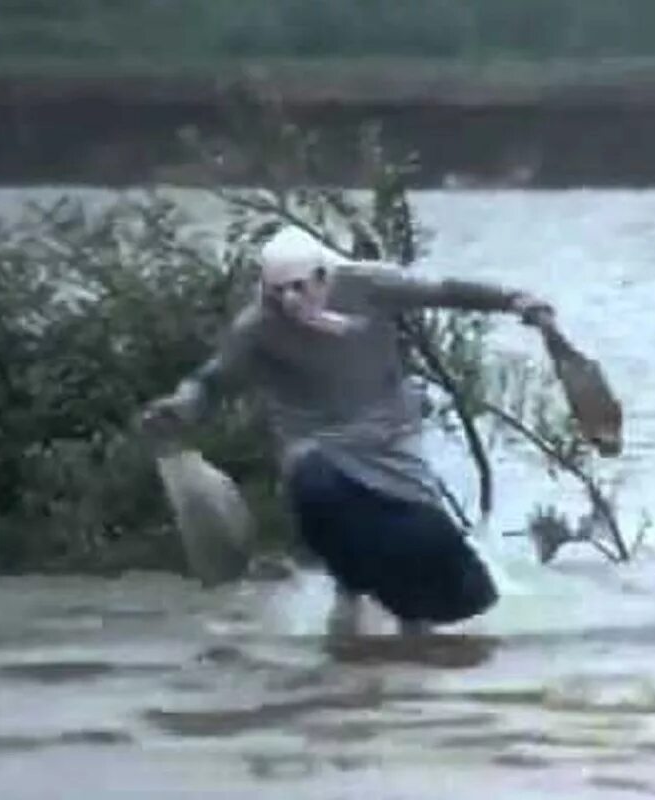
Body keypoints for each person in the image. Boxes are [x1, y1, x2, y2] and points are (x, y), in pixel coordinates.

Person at [142, 226, 553, 636]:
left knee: (418, 539)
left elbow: (444, 290)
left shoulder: (368, 284)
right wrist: (182, 405)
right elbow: (213, 377)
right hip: (313, 444)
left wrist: (515, 300)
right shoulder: (259, 325)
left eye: (299, 288)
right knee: (323, 496)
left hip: (388, 438)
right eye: (278, 291)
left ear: (324, 276)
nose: (290, 300)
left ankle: (418, 634)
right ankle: (348, 619)